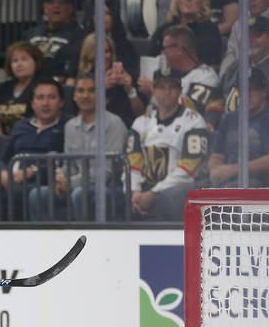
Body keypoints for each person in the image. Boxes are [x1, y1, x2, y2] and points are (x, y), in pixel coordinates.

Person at [127, 66, 210, 221]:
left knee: (167, 198)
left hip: (179, 187)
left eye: (172, 87)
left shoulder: (194, 121)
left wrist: (153, 193)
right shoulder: (141, 122)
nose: (167, 92)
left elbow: (188, 170)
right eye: (161, 87)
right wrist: (135, 192)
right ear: (154, 90)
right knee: (114, 197)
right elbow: (133, 164)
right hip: (146, 187)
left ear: (180, 91)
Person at [53, 73, 128, 220]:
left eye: (91, 90)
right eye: (80, 91)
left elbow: (107, 172)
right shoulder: (70, 126)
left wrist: (70, 183)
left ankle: (86, 241)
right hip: (79, 185)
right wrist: (60, 176)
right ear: (74, 96)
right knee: (39, 195)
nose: (85, 95)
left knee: (80, 194)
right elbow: (70, 166)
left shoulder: (114, 124)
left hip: (112, 187)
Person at [209, 67, 269, 187]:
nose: (246, 95)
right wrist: (215, 170)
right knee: (179, 194)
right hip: (226, 179)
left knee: (230, 191)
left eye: (251, 90)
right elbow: (216, 157)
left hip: (259, 183)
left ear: (263, 92)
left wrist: (233, 170)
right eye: (242, 90)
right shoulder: (229, 119)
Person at [0, 78, 69, 210]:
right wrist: (4, 173)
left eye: (52, 97)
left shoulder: (68, 126)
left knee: (18, 193)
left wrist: (33, 171)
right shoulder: (21, 126)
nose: (45, 103)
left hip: (44, 180)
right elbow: (4, 158)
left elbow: (64, 160)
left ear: (61, 102)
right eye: (40, 97)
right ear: (32, 103)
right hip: (14, 178)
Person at [139, 25, 223, 127]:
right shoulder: (169, 73)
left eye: (165, 48)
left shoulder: (206, 76)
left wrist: (153, 91)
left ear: (179, 49)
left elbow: (190, 110)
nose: (162, 53)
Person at [218, 16, 269, 111]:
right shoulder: (236, 66)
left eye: (256, 35)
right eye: (247, 36)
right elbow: (217, 98)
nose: (250, 40)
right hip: (230, 122)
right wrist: (212, 120)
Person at [72, 33, 143, 127]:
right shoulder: (83, 82)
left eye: (106, 51)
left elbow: (141, 115)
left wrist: (130, 90)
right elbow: (79, 121)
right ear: (89, 55)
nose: (104, 56)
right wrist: (98, 90)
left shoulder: (125, 75)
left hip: (124, 128)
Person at [148, 0, 224, 67]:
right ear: (177, 2)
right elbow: (150, 59)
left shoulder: (210, 29)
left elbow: (210, 61)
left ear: (202, 3)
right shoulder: (164, 30)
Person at [26, 0, 85, 81]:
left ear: (70, 8)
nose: (56, 6)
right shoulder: (30, 34)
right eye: (51, 2)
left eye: (61, 3)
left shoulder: (79, 35)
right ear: (45, 8)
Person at [0, 41, 44, 135]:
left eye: (24, 59)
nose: (19, 64)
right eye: (14, 61)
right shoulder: (4, 88)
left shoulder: (42, 87)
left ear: (36, 62)